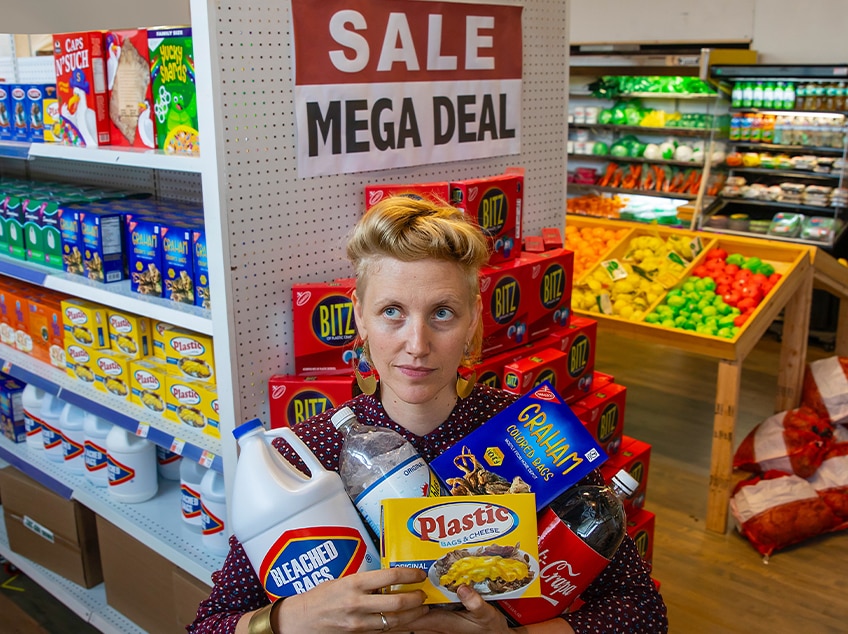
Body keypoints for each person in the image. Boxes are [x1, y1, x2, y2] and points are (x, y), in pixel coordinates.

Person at [188, 196, 668, 634]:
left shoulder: (532, 435)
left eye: (442, 313)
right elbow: (207, 625)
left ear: (474, 317)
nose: (416, 346)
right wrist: (290, 618)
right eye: (392, 311)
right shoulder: (308, 454)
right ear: (358, 314)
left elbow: (642, 613)